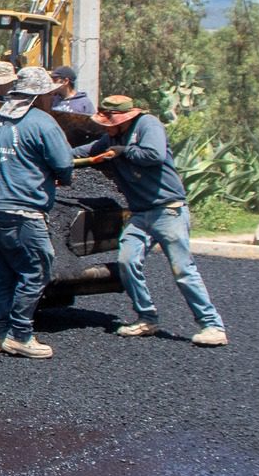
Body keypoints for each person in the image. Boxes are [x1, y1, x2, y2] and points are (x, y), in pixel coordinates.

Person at [75, 94, 228, 346]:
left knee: (183, 270)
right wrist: (57, 158)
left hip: (168, 210)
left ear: (123, 118)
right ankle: (146, 317)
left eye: (108, 122)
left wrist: (123, 152)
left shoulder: (148, 126)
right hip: (140, 214)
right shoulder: (112, 137)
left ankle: (212, 325)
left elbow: (154, 155)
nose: (104, 128)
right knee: (127, 261)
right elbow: (89, 152)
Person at [0, 64, 77, 359]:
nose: (51, 99)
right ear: (39, 96)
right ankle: (20, 334)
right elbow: (65, 165)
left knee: (6, 272)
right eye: (48, 95)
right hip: (24, 211)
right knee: (36, 270)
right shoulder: (43, 123)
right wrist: (61, 177)